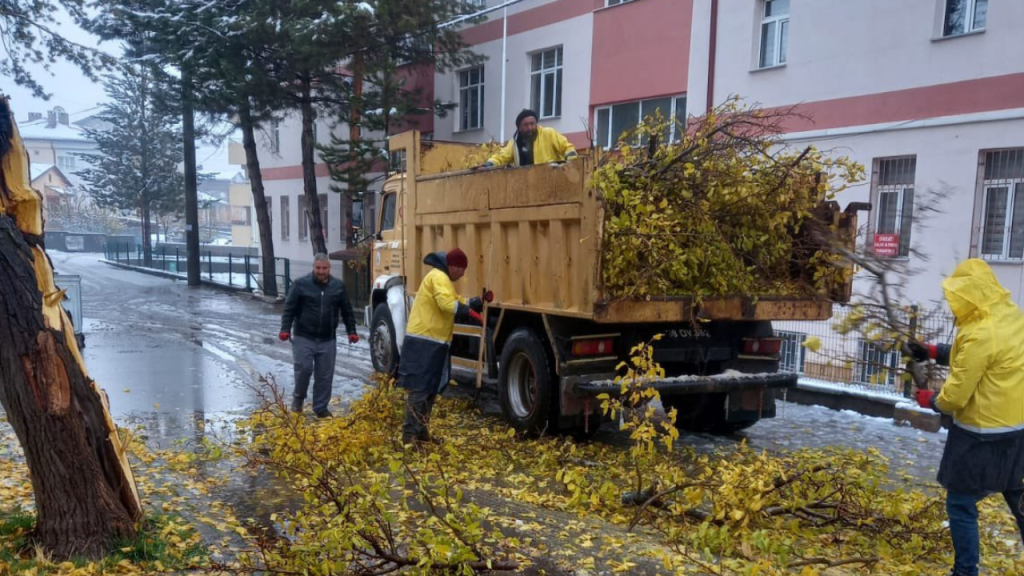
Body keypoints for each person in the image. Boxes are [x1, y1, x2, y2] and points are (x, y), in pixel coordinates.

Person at [909, 259, 1024, 576]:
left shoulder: (979, 332)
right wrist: (932, 351)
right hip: (1017, 433)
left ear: (969, 298)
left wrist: (930, 399)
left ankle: (965, 572)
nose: (953, 307)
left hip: (980, 437)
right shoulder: (1012, 317)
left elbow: (955, 397)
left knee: (960, 504)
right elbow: (985, 358)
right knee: (1019, 501)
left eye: (957, 301)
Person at [397, 248, 488, 445]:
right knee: (420, 390)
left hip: (432, 342)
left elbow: (456, 300)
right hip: (425, 342)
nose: (463, 274)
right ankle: (409, 436)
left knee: (429, 389)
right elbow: (447, 304)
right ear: (453, 266)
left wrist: (476, 303)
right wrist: (471, 314)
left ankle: (420, 433)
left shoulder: (442, 278)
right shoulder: (439, 276)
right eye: (462, 269)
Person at [279, 253, 359, 418]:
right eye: (318, 268)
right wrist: (285, 328)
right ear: (313, 267)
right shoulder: (301, 284)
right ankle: (298, 400)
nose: (321, 271)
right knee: (304, 369)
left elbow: (347, 310)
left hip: (327, 339)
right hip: (303, 336)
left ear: (329, 268)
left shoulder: (338, 286)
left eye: (324, 268)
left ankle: (321, 407)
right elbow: (289, 308)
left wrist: (352, 331)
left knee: (324, 375)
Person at [480, 108, 578, 168]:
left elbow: (567, 147)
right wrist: (489, 164)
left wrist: (570, 163)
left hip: (552, 181)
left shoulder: (549, 133)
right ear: (519, 128)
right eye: (526, 125)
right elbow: (502, 157)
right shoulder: (515, 143)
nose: (530, 127)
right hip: (527, 186)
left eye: (532, 124)